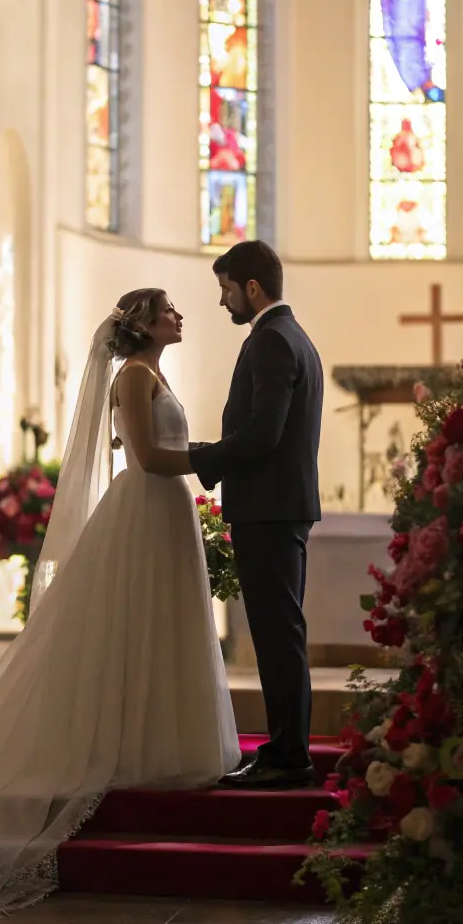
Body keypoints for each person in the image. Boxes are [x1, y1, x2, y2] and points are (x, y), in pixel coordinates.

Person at [0, 289, 239, 922]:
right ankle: (130, 745)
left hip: (169, 509)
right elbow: (149, 458)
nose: (180, 317)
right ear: (144, 322)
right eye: (169, 310)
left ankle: (162, 744)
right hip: (147, 508)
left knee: (165, 631)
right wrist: (214, 456)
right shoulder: (131, 376)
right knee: (135, 628)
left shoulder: (154, 372)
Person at [160, 240, 324, 789]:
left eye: (226, 289)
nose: (223, 301)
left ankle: (289, 757)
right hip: (276, 506)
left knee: (277, 635)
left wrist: (196, 458)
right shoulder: (290, 336)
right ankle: (285, 748)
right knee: (279, 632)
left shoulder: (274, 340)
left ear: (252, 288)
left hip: (270, 509)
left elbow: (263, 434)